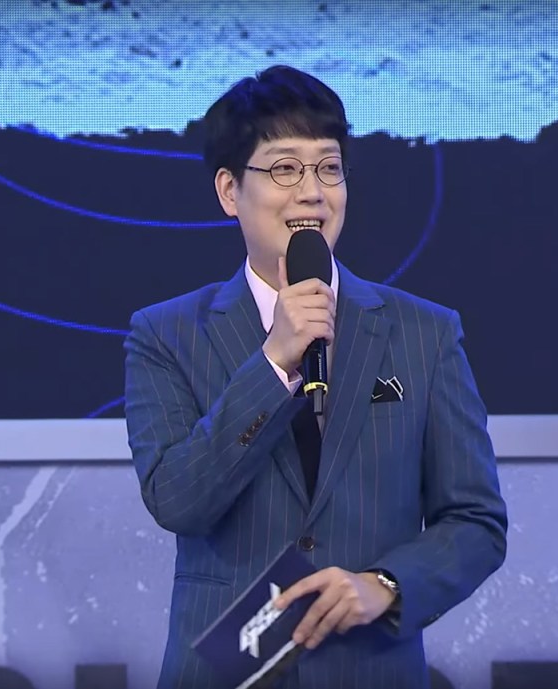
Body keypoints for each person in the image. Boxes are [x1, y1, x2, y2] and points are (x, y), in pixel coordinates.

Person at [124, 65, 507, 689]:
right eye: (284, 169)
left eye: (329, 168)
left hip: (368, 669)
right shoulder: (166, 335)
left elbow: (475, 521)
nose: (312, 192)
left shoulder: (425, 334)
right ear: (229, 191)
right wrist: (274, 363)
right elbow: (177, 500)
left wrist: (386, 585)